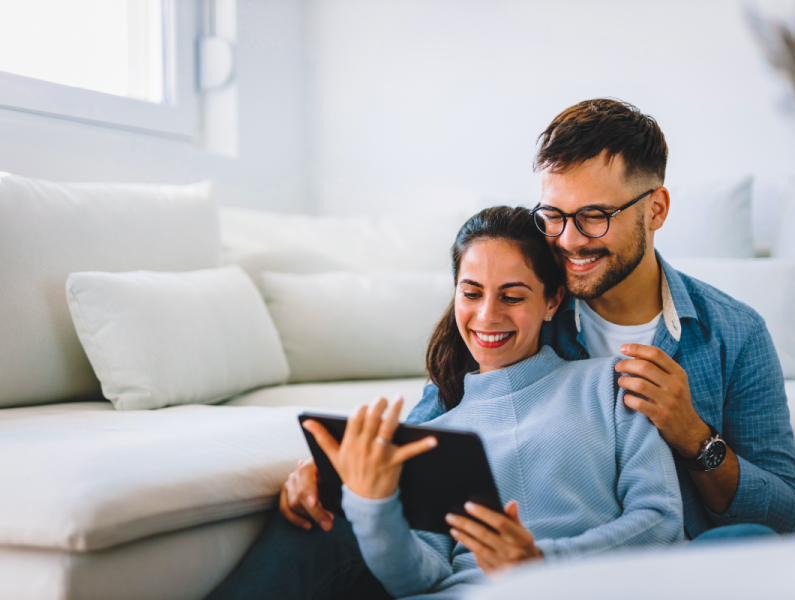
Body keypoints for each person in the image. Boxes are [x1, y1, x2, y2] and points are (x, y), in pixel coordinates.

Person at [282, 99, 795, 543]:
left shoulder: (735, 334)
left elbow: (781, 514)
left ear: (657, 209)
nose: (569, 240)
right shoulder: (519, 309)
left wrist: (695, 438)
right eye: (553, 215)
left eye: (595, 216)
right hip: (514, 560)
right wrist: (333, 471)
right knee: (314, 531)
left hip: (649, 564)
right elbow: (430, 430)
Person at [208, 207, 684, 599]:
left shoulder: (610, 385)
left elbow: (661, 522)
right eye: (471, 293)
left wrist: (539, 563)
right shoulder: (445, 428)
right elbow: (420, 577)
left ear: (553, 300)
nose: (487, 316)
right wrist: (372, 503)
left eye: (513, 296)